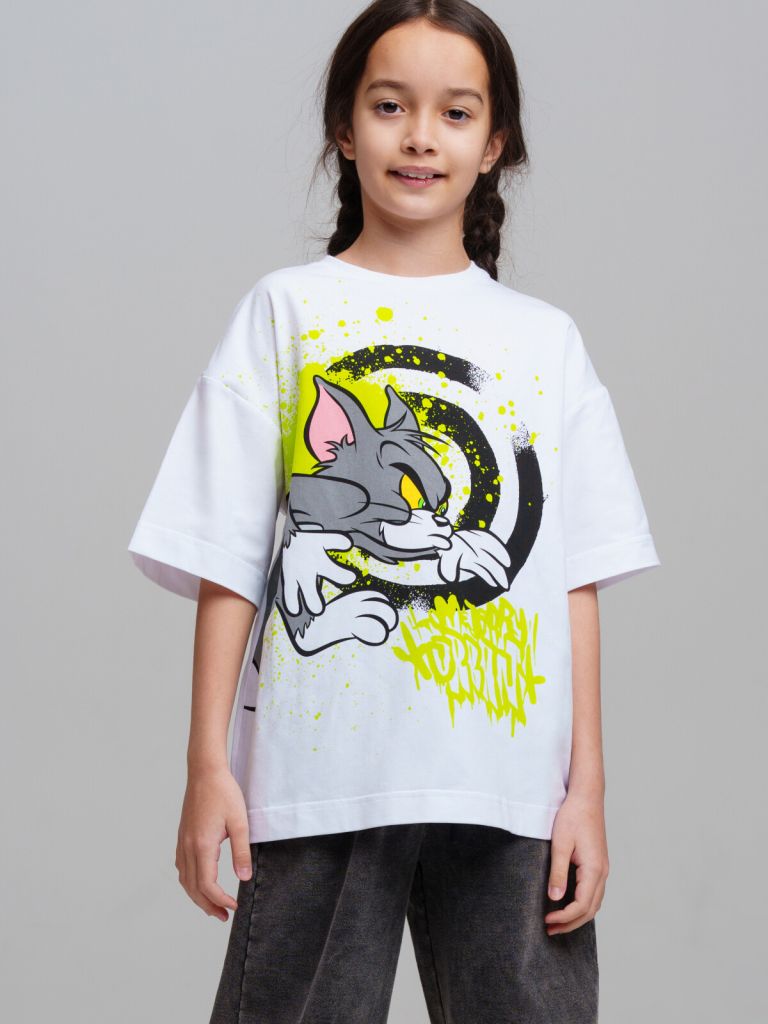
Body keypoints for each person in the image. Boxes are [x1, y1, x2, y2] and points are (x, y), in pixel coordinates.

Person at [127, 2, 661, 1021]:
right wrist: (206, 767)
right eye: (389, 106)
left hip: (508, 786)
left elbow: (574, 575)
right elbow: (225, 556)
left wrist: (585, 790)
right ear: (344, 125)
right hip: (315, 781)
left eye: (455, 112)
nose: (420, 136)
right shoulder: (284, 311)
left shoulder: (545, 342)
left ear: (494, 143)